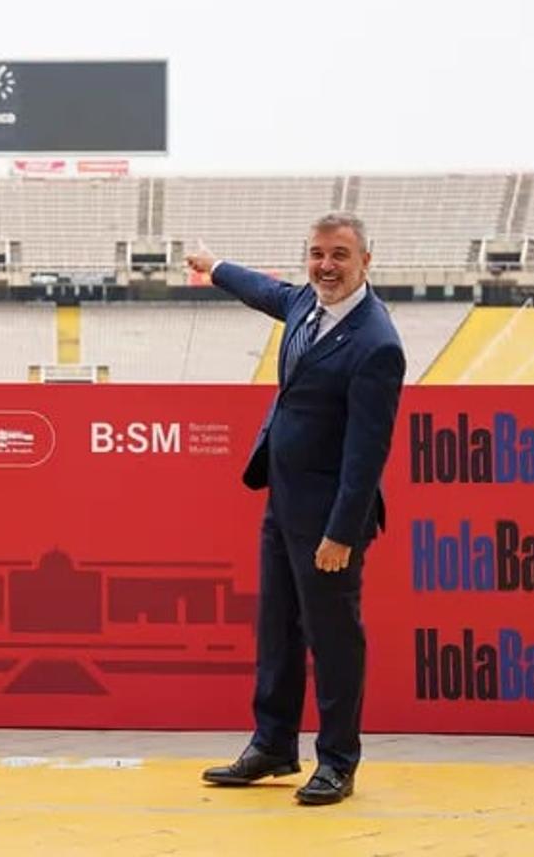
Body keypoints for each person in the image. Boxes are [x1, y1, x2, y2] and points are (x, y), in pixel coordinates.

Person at [186, 213, 406, 807]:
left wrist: (340, 535)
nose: (326, 266)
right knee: (277, 631)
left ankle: (338, 760)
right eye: (317, 254)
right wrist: (216, 269)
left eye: (339, 255)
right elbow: (269, 293)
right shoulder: (307, 303)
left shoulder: (376, 344)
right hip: (283, 503)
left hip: (330, 521)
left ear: (366, 261)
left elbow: (367, 456)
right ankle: (274, 744)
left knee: (333, 640)